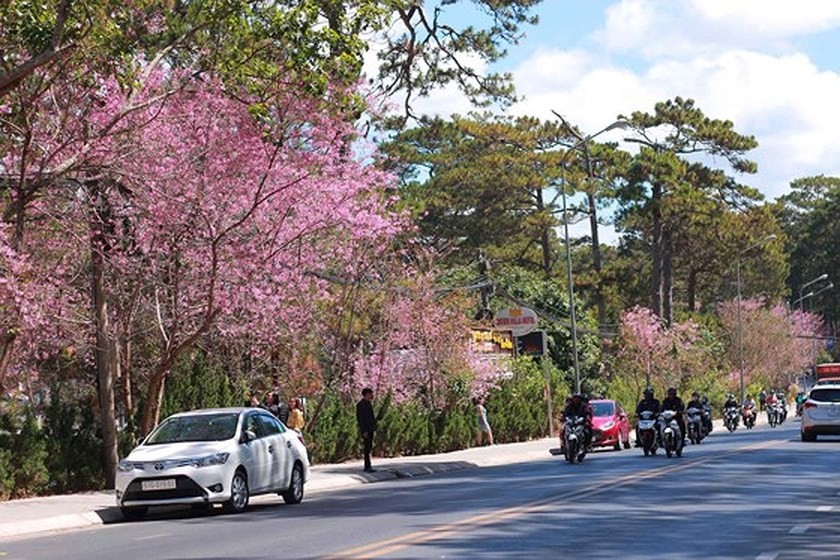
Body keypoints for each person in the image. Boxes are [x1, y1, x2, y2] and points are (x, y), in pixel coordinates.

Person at [356, 387, 378, 473]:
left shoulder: (369, 404)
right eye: (370, 394)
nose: (372, 395)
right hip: (366, 429)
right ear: (366, 394)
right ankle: (367, 466)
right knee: (367, 448)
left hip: (371, 428)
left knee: (369, 447)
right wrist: (364, 430)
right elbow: (360, 419)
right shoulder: (361, 405)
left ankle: (369, 465)